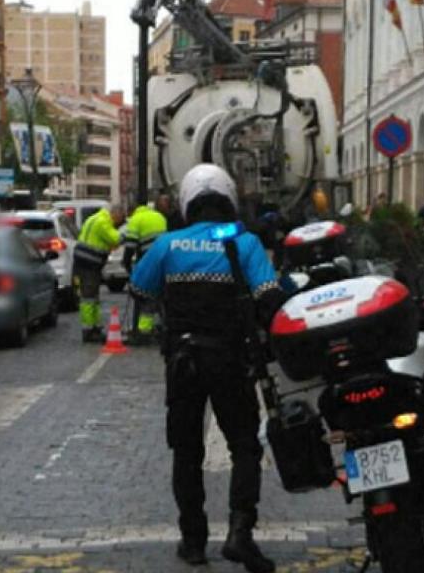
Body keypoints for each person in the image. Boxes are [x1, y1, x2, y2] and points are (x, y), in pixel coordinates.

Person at [129, 164, 283, 573]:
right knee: (245, 446)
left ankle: (193, 541)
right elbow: (270, 296)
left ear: (187, 201)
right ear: (229, 199)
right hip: (231, 361)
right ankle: (240, 533)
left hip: (182, 362)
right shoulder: (242, 241)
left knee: (186, 451)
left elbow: (138, 289)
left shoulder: (168, 243)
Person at [73, 205, 126, 343]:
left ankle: (94, 327)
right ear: (115, 214)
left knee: (92, 296)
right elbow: (116, 239)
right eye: (120, 219)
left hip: (85, 262)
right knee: (89, 297)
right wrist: (127, 232)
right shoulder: (103, 222)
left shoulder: (94, 218)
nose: (118, 223)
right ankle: (89, 330)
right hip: (89, 263)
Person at [122, 201, 168, 344]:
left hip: (148, 260)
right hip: (164, 259)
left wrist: (127, 264)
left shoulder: (136, 220)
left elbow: (130, 246)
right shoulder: (159, 217)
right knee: (161, 296)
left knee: (144, 294)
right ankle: (164, 327)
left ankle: (142, 331)